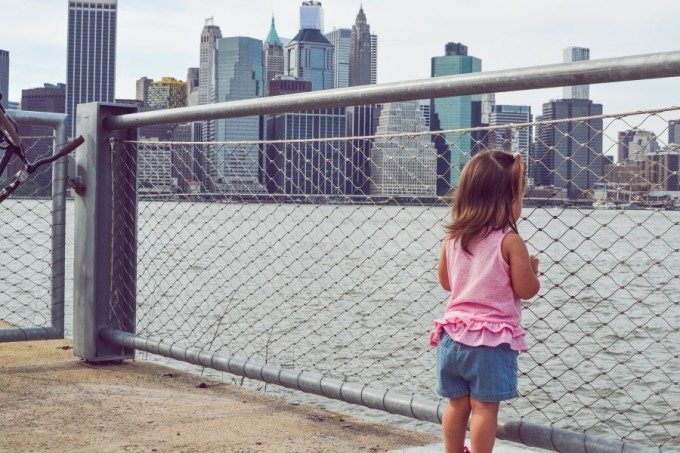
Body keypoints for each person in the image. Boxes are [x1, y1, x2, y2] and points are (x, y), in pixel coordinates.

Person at [430, 150, 540, 453]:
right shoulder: (510, 241)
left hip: (452, 336)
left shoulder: (452, 239)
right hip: (490, 342)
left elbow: (446, 283)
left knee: (457, 403)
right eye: (519, 197)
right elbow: (526, 289)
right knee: (484, 408)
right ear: (505, 200)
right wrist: (532, 270)